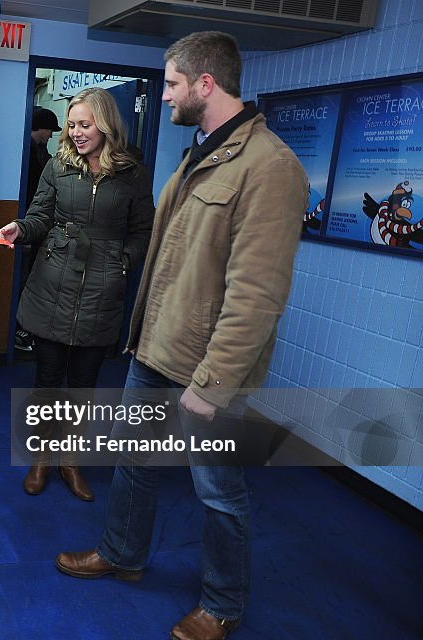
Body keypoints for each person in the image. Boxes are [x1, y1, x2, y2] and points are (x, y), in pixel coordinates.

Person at [53, 32, 307, 640]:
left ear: (205, 84)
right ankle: (122, 554)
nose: (162, 95)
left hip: (204, 367)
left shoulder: (270, 167)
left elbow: (257, 294)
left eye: (170, 84)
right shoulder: (200, 154)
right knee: (136, 463)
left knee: (217, 490)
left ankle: (223, 603)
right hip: (155, 348)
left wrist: (213, 384)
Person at [0, 88, 154, 502]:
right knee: (46, 381)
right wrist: (20, 229)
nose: (76, 132)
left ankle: (71, 461)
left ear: (105, 124)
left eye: (84, 124)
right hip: (54, 282)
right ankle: (40, 459)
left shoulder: (133, 173)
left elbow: (143, 231)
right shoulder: (57, 164)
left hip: (103, 288)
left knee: (83, 386)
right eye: (71, 124)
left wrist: (123, 261)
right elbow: (39, 217)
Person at [14, 106, 61, 352]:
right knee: (26, 278)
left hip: (33, 226)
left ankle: (24, 330)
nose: (51, 135)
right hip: (29, 225)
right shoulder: (30, 154)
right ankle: (22, 330)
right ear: (39, 128)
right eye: (49, 130)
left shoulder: (41, 153)